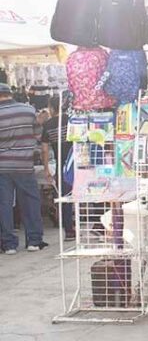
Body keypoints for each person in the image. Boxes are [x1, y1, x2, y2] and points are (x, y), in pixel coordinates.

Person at [0, 83, 46, 254]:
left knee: (4, 205)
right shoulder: (28, 110)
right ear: (9, 94)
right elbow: (38, 134)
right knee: (30, 202)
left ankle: (9, 244)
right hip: (25, 164)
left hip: (2, 167)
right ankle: (34, 240)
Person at [41, 95, 74, 241]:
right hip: (77, 162)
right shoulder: (72, 120)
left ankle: (69, 231)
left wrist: (46, 169)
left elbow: (44, 149)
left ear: (52, 108)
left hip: (62, 165)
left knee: (65, 198)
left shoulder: (48, 125)